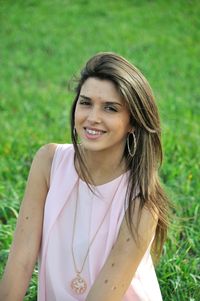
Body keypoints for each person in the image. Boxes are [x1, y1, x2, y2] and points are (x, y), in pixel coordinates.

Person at [0, 52, 170, 301]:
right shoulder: (49, 162)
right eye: (86, 102)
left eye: (110, 108)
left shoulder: (143, 199)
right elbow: (21, 260)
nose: (93, 118)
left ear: (133, 122)